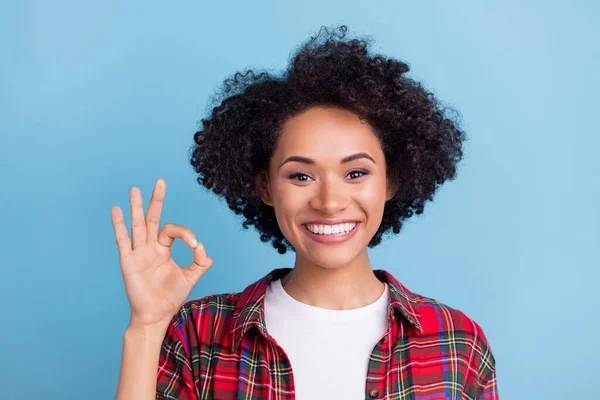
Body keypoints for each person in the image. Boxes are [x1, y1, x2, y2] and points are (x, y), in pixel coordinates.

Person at [114, 25, 498, 400]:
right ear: (265, 187)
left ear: (391, 182)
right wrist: (146, 327)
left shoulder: (457, 343)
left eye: (356, 173)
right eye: (301, 175)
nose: (330, 202)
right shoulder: (200, 332)